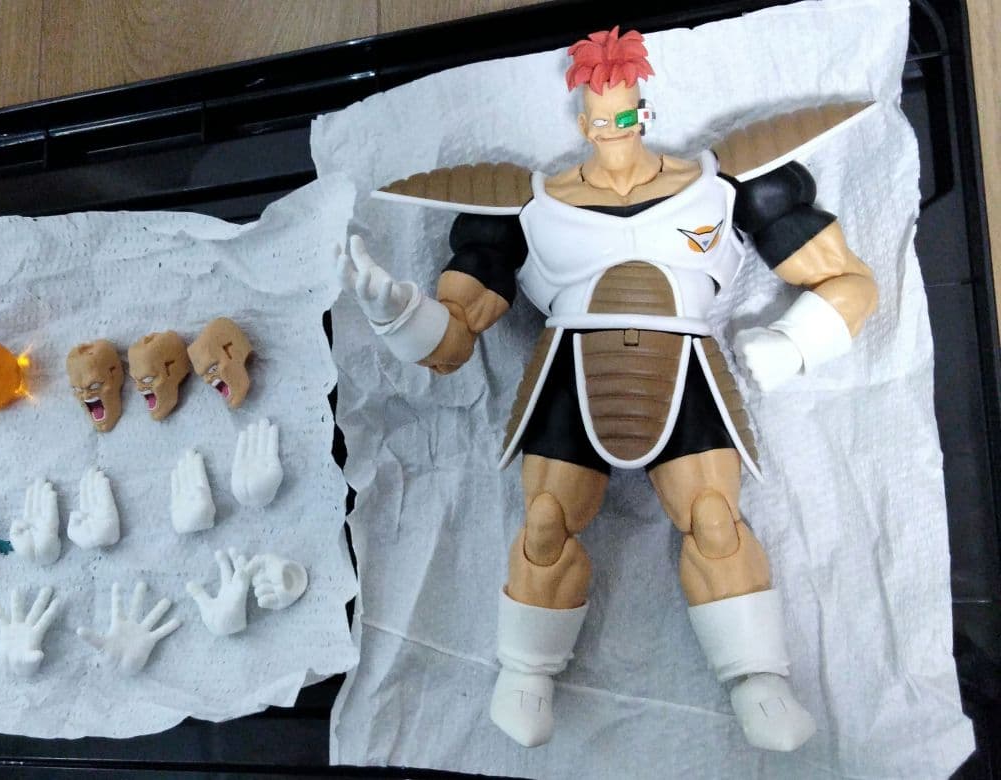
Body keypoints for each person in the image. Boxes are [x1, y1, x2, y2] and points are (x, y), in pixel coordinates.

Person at [337, 26, 877, 751]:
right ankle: (526, 672)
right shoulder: (526, 207)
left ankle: (758, 678)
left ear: (644, 111)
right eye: (600, 115)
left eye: (625, 112)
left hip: (685, 364)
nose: (614, 128)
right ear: (582, 119)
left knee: (715, 520)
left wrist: (792, 344)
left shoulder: (725, 185)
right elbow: (456, 338)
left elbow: (847, 281)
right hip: (569, 367)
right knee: (543, 523)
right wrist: (402, 315)